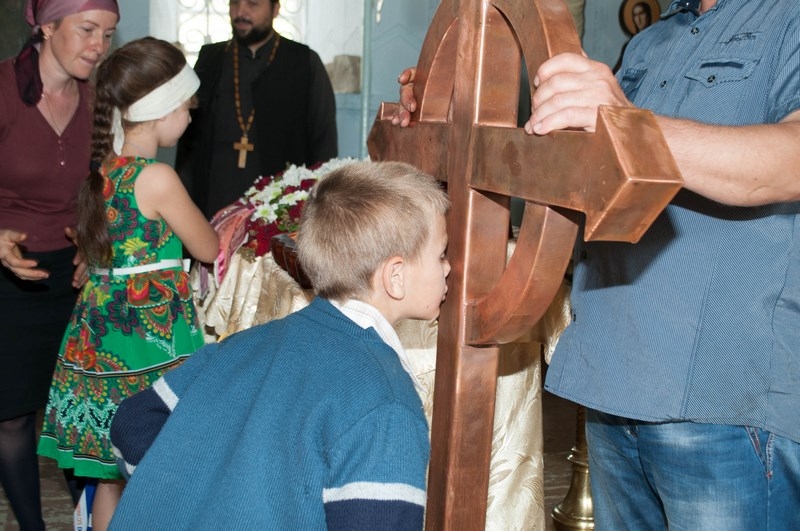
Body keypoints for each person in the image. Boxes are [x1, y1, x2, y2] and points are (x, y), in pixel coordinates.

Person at [394, 1, 800, 528]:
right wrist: (446, 119)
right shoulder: (651, 42)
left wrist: (629, 124)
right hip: (612, 386)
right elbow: (580, 171)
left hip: (725, 403)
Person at [108, 161, 450, 530]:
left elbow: (131, 424)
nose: (448, 268)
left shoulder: (240, 346)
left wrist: (185, 495)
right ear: (395, 276)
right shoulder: (385, 401)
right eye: (441, 254)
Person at [36, 37, 219, 531]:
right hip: (147, 342)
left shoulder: (104, 171)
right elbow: (206, 247)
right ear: (162, 110)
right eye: (187, 107)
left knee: (112, 477)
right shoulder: (157, 177)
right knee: (157, 461)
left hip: (102, 336)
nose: (190, 117)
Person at [0, 1, 119, 529]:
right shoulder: (3, 89)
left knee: (76, 414)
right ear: (47, 26)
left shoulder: (97, 102)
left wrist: (92, 242)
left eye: (108, 34)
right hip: (6, 277)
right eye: (87, 30)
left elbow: (104, 188)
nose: (99, 46)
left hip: (72, 278)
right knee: (10, 417)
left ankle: (88, 521)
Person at [176, 0, 338, 219]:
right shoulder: (210, 58)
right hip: (214, 196)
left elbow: (323, 140)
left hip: (278, 202)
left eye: (252, 4)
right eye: (235, 3)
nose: (240, 12)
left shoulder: (304, 61)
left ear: (275, 9)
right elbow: (189, 142)